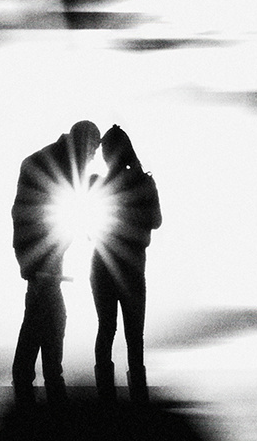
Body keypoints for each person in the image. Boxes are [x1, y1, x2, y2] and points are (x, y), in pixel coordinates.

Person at [11, 120, 99, 406]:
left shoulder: (60, 162)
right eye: (93, 150)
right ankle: (44, 398)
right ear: (86, 144)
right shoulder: (54, 165)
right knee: (46, 324)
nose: (93, 157)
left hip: (44, 260)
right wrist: (35, 265)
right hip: (41, 262)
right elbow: (32, 216)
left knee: (44, 323)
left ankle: (38, 393)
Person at [89, 125, 160, 404]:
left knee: (109, 330)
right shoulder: (142, 182)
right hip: (129, 266)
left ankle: (108, 398)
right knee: (131, 334)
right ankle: (136, 398)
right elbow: (155, 221)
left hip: (108, 266)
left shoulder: (101, 184)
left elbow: (90, 227)